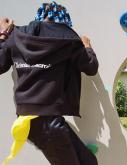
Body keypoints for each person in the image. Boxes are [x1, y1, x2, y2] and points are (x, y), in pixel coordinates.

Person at [0, 2, 99, 165]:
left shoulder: (17, 36)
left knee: (88, 162)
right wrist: (87, 47)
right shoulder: (69, 38)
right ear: (64, 19)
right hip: (46, 122)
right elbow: (91, 67)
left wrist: (3, 34)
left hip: (33, 119)